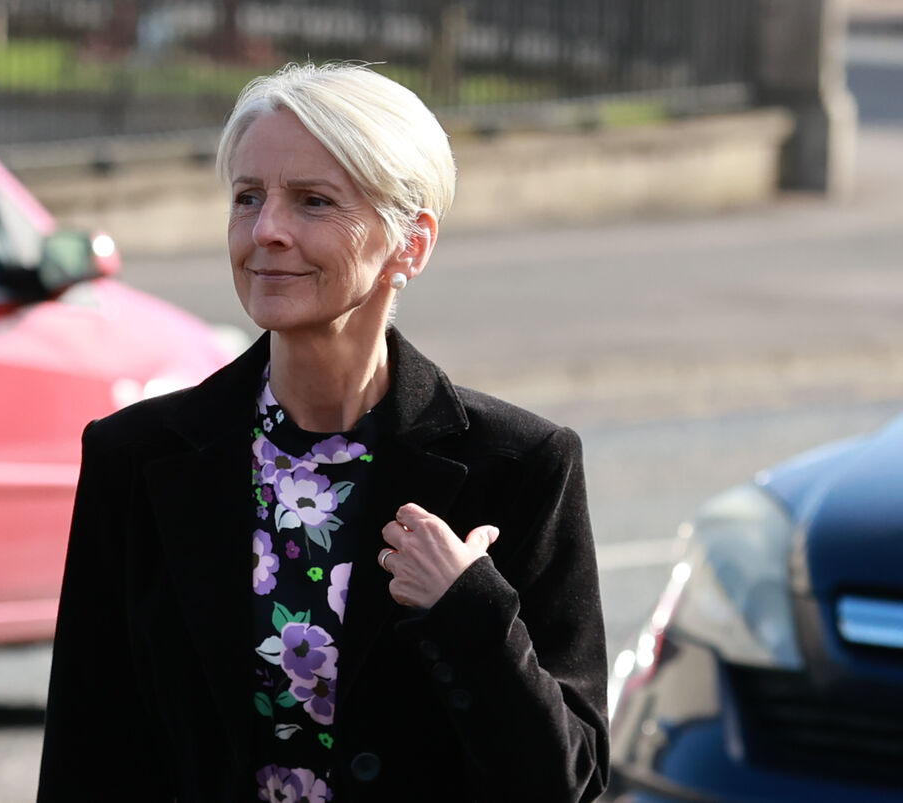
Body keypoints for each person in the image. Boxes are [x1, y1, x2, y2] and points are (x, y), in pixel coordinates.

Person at [37, 62, 608, 802]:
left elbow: (569, 784)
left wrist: (470, 611)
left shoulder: (521, 466)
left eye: (313, 202)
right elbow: (88, 754)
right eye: (248, 198)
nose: (266, 230)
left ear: (411, 243)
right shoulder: (136, 460)